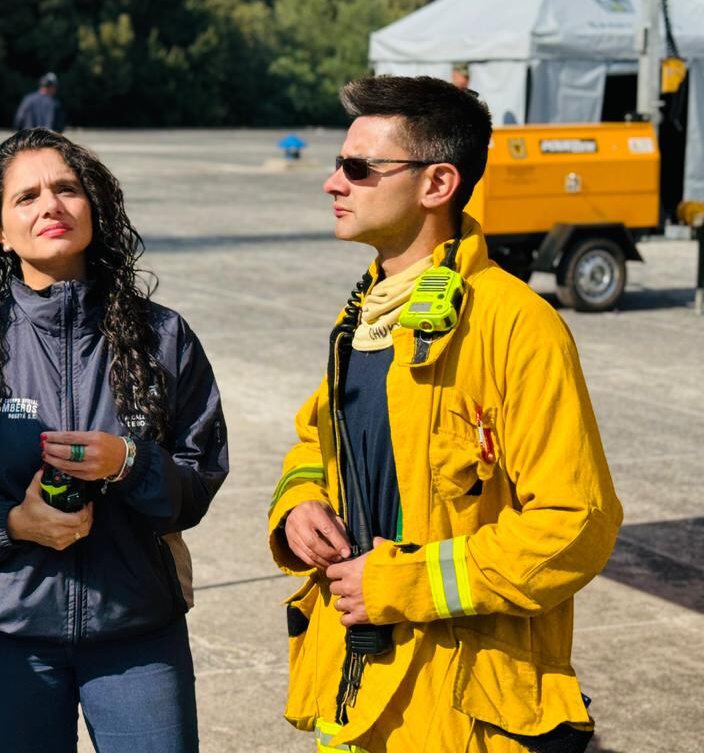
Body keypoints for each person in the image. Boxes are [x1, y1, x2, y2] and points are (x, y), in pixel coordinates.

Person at [267, 76, 622, 753]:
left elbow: (576, 525)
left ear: (437, 184)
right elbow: (317, 440)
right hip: (354, 696)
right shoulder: (365, 320)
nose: (332, 183)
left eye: (358, 167)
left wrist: (411, 581)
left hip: (464, 716)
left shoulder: (517, 325)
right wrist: (300, 505)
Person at [0, 128, 228, 753]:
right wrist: (10, 522)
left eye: (67, 189)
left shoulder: (163, 336)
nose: (50, 205)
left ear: (94, 209)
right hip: (3, 629)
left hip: (137, 629)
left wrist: (131, 463)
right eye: (26, 197)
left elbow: (199, 478)